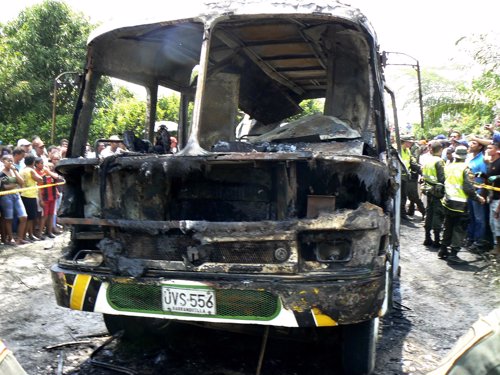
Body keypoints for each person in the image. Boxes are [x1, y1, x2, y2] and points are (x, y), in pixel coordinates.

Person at [438, 146, 486, 264]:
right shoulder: (466, 169)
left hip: (447, 201)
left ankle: (443, 249)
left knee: (448, 226)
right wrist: (478, 198)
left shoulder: (448, 167)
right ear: (465, 157)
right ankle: (453, 254)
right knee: (459, 229)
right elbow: (468, 188)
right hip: (460, 204)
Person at [465, 139, 488, 251]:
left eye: (474, 143)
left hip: (478, 192)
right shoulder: (469, 158)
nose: (470, 144)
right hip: (469, 191)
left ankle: (479, 241)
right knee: (471, 216)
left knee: (479, 218)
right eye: (471, 142)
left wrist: (482, 194)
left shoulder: (482, 159)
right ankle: (471, 238)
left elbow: (484, 178)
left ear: (480, 147)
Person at [421, 140, 445, 247]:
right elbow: (442, 178)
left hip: (428, 190)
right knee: (437, 214)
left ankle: (427, 238)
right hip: (437, 192)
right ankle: (436, 240)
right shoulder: (439, 161)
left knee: (429, 213)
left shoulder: (428, 161)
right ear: (440, 150)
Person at [0, 155, 28, 245]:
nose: (10, 162)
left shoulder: (14, 171)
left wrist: (15, 170)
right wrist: (15, 185)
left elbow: (22, 182)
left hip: (16, 195)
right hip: (6, 197)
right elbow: (4, 187)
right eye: (8, 160)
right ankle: (10, 238)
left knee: (23, 216)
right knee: (9, 218)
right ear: (3, 161)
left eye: (11, 161)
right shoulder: (1, 173)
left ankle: (20, 238)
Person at [400, 135, 424, 220]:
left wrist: (421, 169)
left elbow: (412, 162)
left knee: (404, 196)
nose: (411, 143)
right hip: (399, 177)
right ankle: (402, 214)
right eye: (409, 142)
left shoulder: (407, 150)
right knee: (402, 196)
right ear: (404, 142)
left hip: (405, 176)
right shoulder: (397, 150)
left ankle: (402, 214)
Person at [20, 155, 43, 241]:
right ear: (33, 162)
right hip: (30, 195)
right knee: (30, 218)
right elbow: (40, 179)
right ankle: (25, 236)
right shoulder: (30, 170)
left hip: (24, 195)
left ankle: (29, 235)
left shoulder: (22, 170)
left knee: (29, 217)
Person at [485, 142, 500, 258]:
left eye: (490, 148)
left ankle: (498, 248)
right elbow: (490, 177)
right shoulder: (491, 163)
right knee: (492, 223)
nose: (487, 150)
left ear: (497, 150)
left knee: (497, 224)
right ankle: (495, 245)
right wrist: (482, 176)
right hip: (493, 197)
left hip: (499, 199)